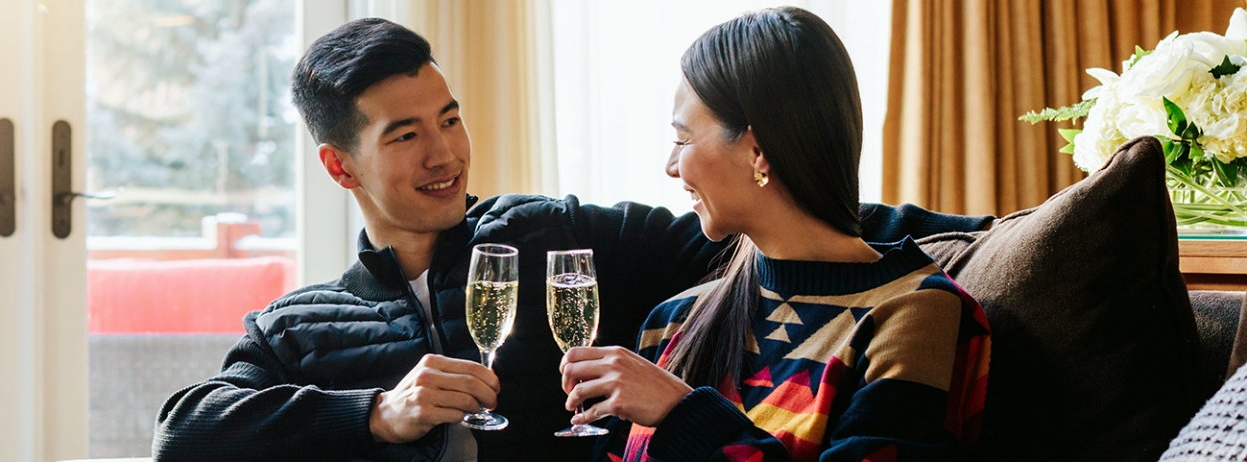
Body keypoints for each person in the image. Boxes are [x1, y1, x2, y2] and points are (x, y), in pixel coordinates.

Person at [153, 17, 991, 462]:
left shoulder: (557, 236)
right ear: (341, 168)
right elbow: (185, 433)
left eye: (450, 119)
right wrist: (375, 412)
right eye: (406, 135)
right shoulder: (303, 322)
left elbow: (790, 225)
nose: (445, 152)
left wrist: (969, 237)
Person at [557, 7, 990, 462]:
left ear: (757, 150)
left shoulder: (914, 315)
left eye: (683, 140)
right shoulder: (674, 324)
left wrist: (682, 412)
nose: (670, 166)